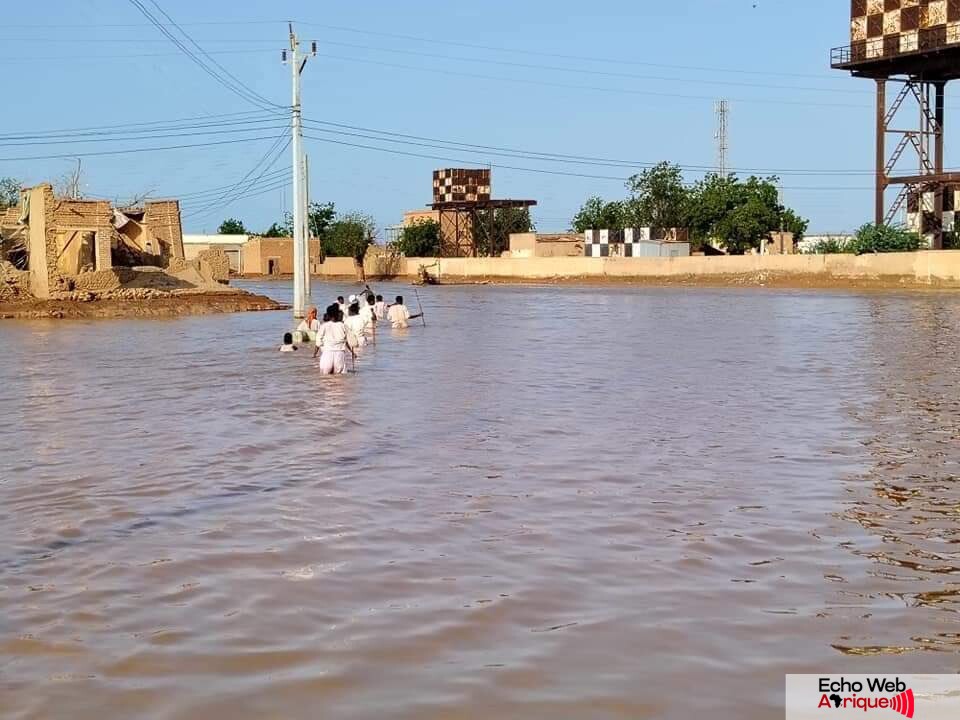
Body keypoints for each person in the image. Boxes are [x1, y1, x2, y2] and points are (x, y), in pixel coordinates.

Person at [313, 304, 352, 374]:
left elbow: (318, 342)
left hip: (327, 354)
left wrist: (314, 354)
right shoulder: (343, 326)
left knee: (325, 381)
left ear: (328, 315)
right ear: (337, 314)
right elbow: (353, 341)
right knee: (339, 381)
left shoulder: (323, 326)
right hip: (340, 355)